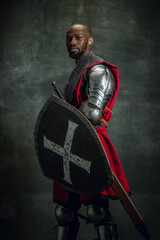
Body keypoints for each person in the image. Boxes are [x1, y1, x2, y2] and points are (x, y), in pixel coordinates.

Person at [53, 23, 130, 240]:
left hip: (90, 143)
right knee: (64, 212)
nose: (72, 43)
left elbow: (93, 113)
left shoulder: (99, 70)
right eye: (69, 39)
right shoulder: (78, 71)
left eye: (78, 38)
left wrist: (67, 116)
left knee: (95, 210)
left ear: (90, 41)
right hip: (69, 145)